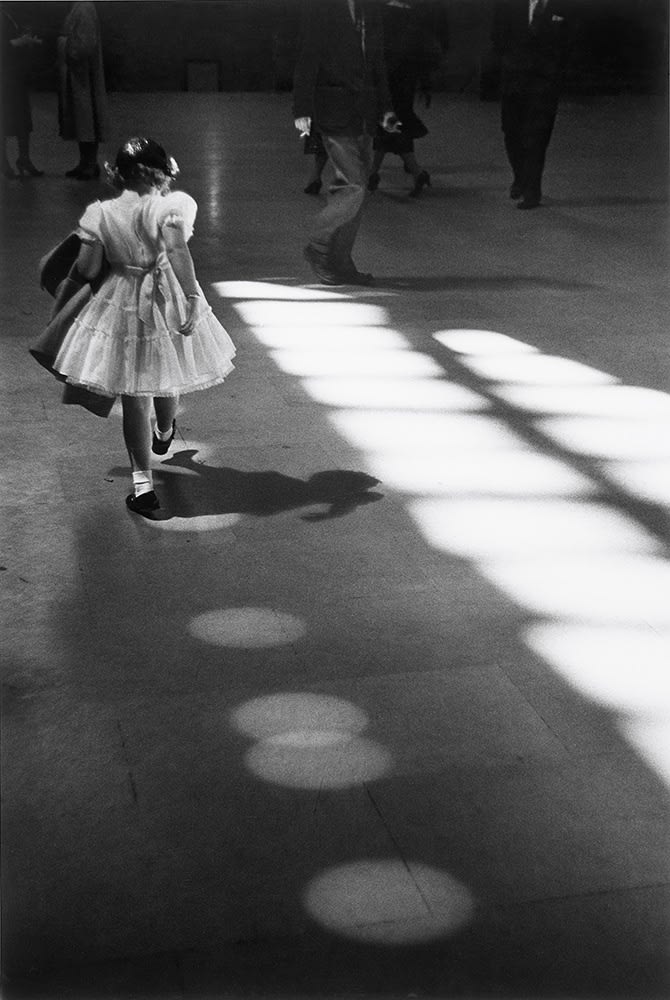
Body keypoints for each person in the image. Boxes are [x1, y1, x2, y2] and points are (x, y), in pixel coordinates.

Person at [50, 137, 236, 516]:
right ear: (162, 174)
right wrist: (191, 295)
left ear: (118, 174)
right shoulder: (170, 207)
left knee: (134, 395)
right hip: (166, 294)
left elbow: (87, 268)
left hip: (122, 298)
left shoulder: (100, 213)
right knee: (168, 369)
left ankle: (143, 486)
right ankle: (164, 431)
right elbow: (177, 250)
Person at [293, 0, 399, 286]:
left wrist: (386, 109)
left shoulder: (370, 9)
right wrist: (302, 108)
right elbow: (308, 57)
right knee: (354, 185)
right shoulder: (322, 8)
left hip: (365, 112)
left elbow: (377, 64)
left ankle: (340, 261)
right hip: (334, 109)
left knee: (358, 192)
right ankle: (319, 245)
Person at [492, 0, 570, 209]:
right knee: (511, 131)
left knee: (537, 136)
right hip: (514, 78)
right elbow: (498, 34)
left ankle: (532, 190)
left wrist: (557, 72)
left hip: (545, 82)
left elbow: (570, 39)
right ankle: (521, 177)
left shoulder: (564, 5)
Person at [368, 0, 447, 197]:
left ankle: (383, 172)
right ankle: (380, 172)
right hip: (404, 76)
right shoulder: (413, 15)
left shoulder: (384, 15)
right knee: (393, 122)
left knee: (390, 122)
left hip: (391, 75)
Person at [58, 0, 108, 180]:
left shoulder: (84, 7)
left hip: (84, 76)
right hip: (78, 75)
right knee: (81, 121)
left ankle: (90, 163)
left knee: (87, 119)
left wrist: (66, 47)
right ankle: (84, 162)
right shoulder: (78, 7)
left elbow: (86, 44)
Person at [1, 4, 43, 178]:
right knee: (6, 118)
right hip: (6, 77)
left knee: (21, 119)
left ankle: (22, 158)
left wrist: (25, 41)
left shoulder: (9, 14)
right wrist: (19, 42)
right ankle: (5, 161)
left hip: (15, 76)